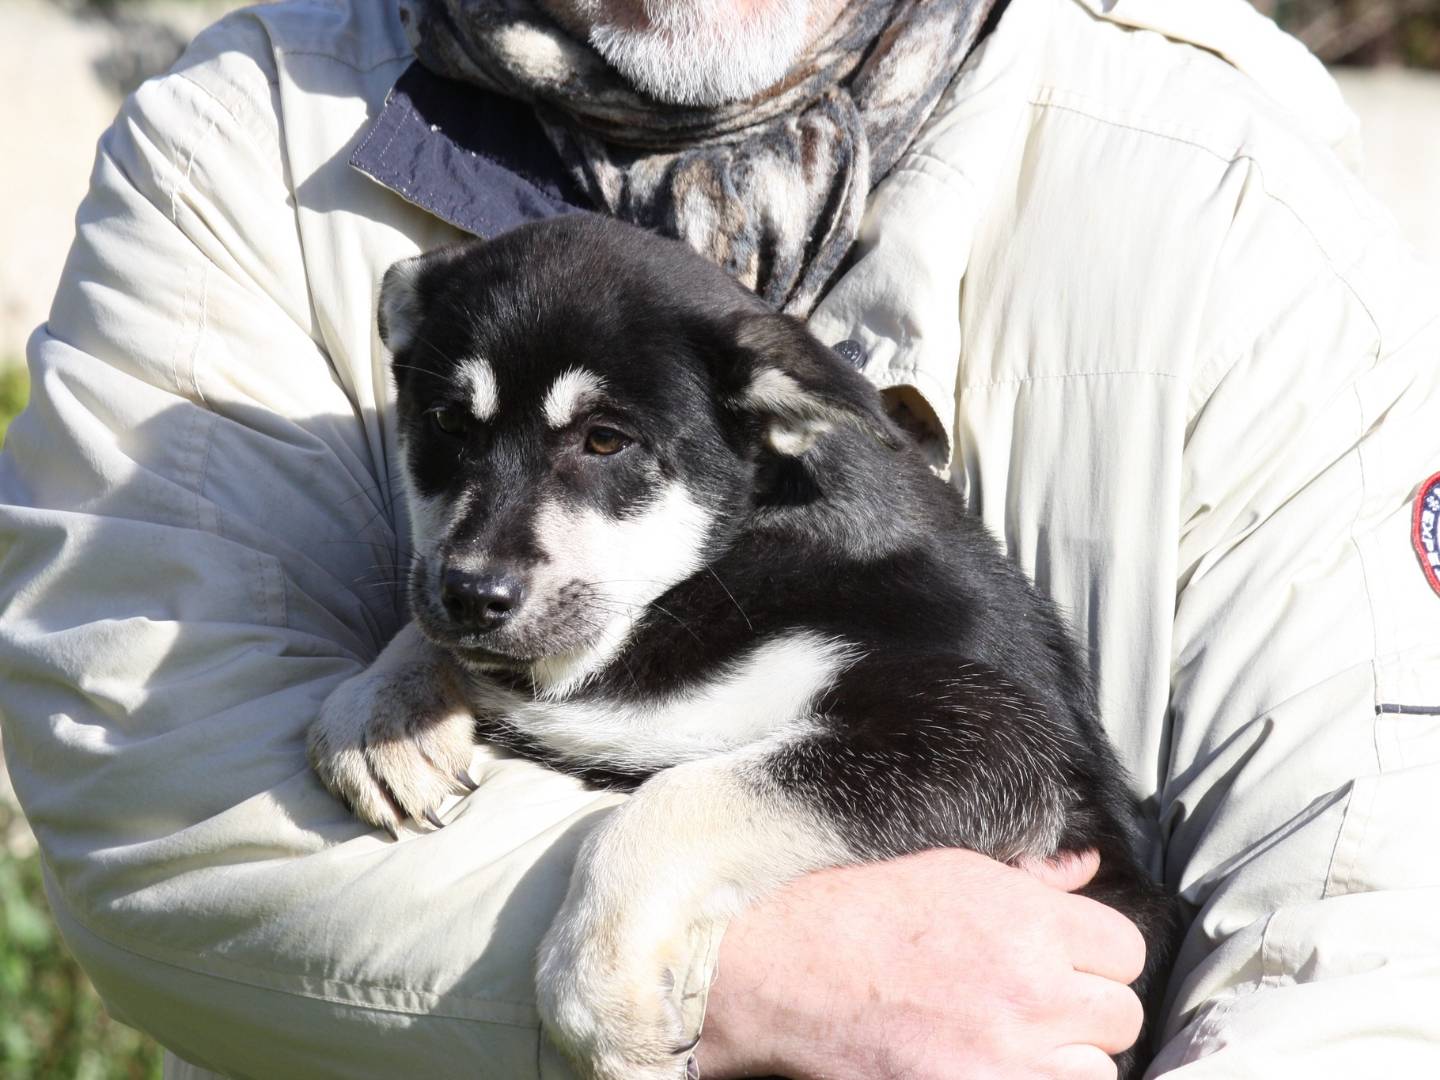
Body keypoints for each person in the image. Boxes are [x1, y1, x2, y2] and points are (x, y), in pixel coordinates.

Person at [0, 0, 1436, 1076]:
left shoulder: (1231, 207)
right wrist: (728, 960)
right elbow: (151, 769)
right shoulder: (249, 146)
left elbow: (1366, 926)